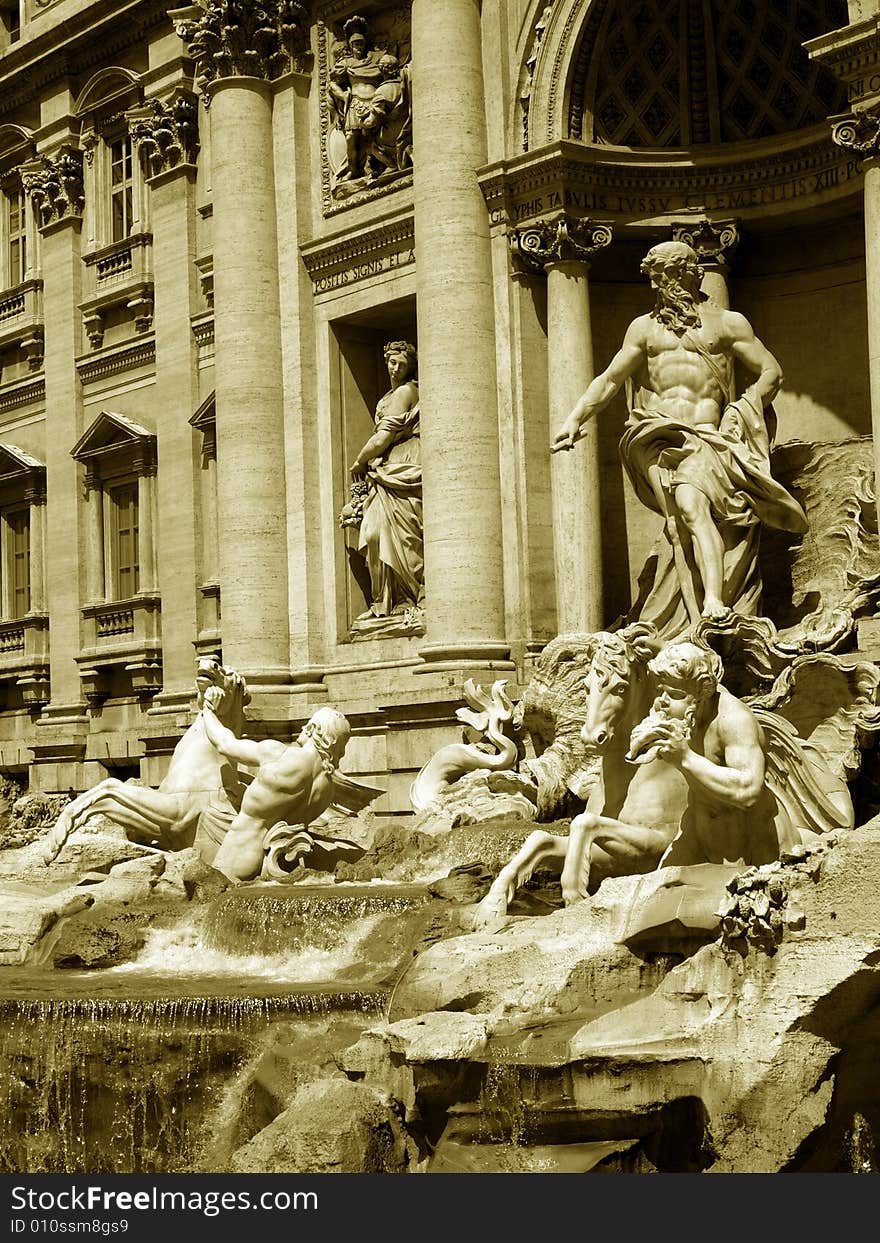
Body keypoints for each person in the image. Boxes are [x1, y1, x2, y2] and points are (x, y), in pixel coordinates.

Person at [551, 240, 807, 637]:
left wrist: (741, 413)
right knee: (676, 525)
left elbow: (771, 372)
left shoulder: (727, 323)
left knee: (689, 507)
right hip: (656, 437)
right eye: (655, 277)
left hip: (706, 435)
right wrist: (575, 418)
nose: (660, 285)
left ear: (691, 273)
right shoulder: (643, 329)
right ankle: (690, 612)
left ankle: (712, 602)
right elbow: (611, 380)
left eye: (667, 275)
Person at [202, 694, 352, 883]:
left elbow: (225, 744)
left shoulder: (280, 754)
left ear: (313, 729)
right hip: (283, 862)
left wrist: (207, 710)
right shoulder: (327, 790)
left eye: (306, 724)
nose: (302, 728)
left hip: (241, 854)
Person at [347, 340, 423, 633]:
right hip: (387, 469)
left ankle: (407, 597)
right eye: (390, 362)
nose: (394, 369)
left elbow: (382, 439)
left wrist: (359, 462)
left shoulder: (406, 392)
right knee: (375, 530)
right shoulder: (391, 395)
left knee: (400, 534)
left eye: (400, 364)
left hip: (404, 462)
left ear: (410, 366)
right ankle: (385, 602)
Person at [328, 15, 385, 185]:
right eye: (355, 44)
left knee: (372, 138)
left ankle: (372, 168)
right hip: (355, 101)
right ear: (351, 46)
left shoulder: (376, 59)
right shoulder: (345, 63)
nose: (359, 47)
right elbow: (331, 85)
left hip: (374, 101)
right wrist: (342, 96)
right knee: (351, 138)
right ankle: (354, 169)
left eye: (361, 43)